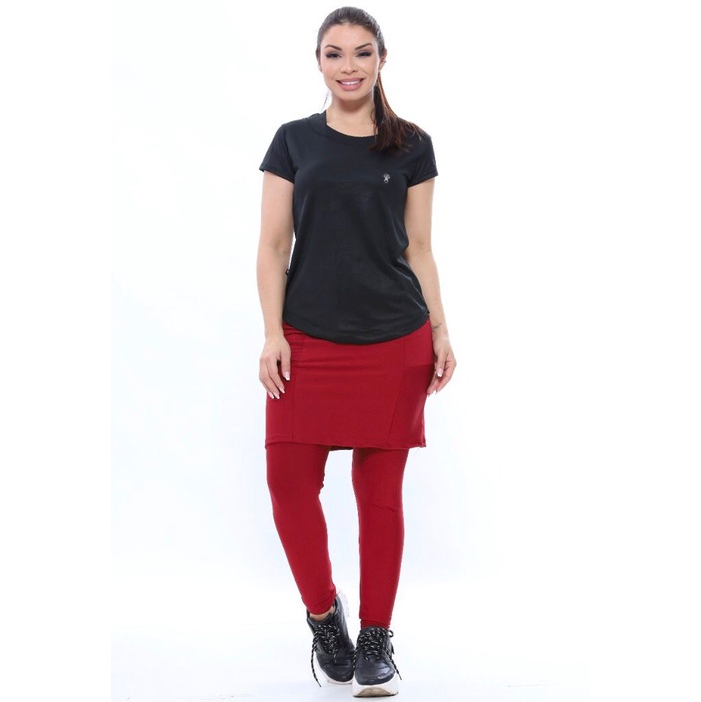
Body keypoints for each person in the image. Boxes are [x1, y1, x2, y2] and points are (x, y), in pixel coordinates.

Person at [256, 6, 456, 697]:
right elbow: (272, 246)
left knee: (379, 496)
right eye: (334, 53)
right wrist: (273, 333)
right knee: (288, 486)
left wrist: (440, 329)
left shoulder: (412, 145)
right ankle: (324, 618)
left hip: (394, 339)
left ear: (381, 59)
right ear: (318, 62)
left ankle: (376, 639)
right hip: (307, 338)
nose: (349, 66)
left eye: (362, 52)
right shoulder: (293, 141)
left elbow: (420, 248)